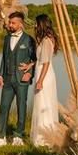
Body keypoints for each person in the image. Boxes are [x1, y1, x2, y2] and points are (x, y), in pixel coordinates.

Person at [0, 11, 36, 147]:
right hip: (8, 79)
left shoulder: (29, 40)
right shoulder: (6, 39)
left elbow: (35, 59)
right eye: (9, 22)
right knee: (3, 107)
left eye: (13, 23)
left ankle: (18, 135)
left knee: (21, 107)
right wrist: (0, 75)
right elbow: (4, 58)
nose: (9, 25)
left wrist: (30, 73)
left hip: (22, 79)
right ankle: (0, 137)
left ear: (20, 24)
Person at [29, 14, 59, 147]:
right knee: (43, 103)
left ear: (41, 24)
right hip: (42, 71)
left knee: (44, 104)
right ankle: (45, 134)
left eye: (36, 23)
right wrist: (30, 65)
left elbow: (46, 63)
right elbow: (41, 59)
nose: (34, 26)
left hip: (44, 74)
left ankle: (43, 138)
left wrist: (40, 80)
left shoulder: (46, 40)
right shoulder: (45, 39)